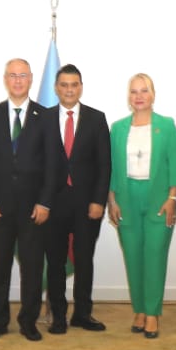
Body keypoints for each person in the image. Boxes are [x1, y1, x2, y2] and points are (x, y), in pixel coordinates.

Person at [0, 59, 60, 341]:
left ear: (31, 79)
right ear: (5, 79)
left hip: (33, 209)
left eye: (22, 75)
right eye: (12, 75)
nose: (17, 80)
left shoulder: (46, 117)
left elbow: (52, 165)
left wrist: (45, 202)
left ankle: (28, 321)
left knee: (33, 269)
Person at [107, 74, 176, 339]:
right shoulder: (117, 128)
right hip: (126, 198)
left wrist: (172, 199)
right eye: (134, 91)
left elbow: (175, 164)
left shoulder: (166, 126)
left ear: (153, 94)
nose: (138, 96)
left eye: (144, 90)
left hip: (159, 200)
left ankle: (152, 313)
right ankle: (139, 309)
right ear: (128, 97)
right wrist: (112, 200)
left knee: (154, 256)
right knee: (133, 257)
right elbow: (111, 167)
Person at [45, 64, 111, 335]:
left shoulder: (96, 118)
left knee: (84, 261)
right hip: (54, 204)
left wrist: (99, 201)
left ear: (81, 87)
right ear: (56, 88)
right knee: (55, 263)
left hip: (87, 204)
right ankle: (58, 316)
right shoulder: (44, 119)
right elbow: (38, 163)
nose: (69, 90)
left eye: (74, 85)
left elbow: (104, 164)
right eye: (64, 85)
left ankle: (82, 314)